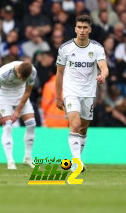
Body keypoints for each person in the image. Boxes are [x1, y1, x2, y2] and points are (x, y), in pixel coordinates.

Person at [56, 15, 109, 172]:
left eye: (85, 27)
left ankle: (75, 160)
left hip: (88, 92)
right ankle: (77, 162)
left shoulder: (96, 48)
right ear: (75, 29)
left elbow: (104, 67)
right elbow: (59, 73)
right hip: (71, 91)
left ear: (90, 29)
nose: (82, 30)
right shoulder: (65, 48)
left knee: (84, 129)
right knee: (75, 124)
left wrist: (103, 75)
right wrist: (58, 96)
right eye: (79, 27)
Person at [0, 61, 37, 170]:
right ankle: (10, 161)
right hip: (4, 96)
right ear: (17, 70)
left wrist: (18, 110)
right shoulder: (4, 73)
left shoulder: (32, 72)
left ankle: (28, 157)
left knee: (31, 124)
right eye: (21, 77)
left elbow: (28, 92)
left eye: (25, 79)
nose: (22, 80)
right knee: (8, 126)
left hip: (21, 95)